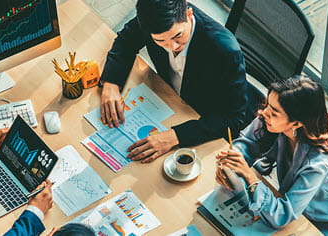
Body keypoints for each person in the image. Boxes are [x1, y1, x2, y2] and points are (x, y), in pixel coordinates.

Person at [99, 0, 250, 163]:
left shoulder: (225, 51)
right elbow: (126, 41)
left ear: (189, 14)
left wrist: (176, 136)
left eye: (177, 36)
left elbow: (233, 118)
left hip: (198, 120)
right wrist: (111, 83)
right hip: (165, 101)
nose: (172, 46)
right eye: (160, 41)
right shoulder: (153, 20)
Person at [215, 76, 328, 235]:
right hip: (295, 210)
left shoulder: (318, 162)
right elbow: (246, 143)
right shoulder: (272, 121)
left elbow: (282, 215)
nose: (263, 112)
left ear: (296, 123)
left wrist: (249, 177)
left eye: (273, 112)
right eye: (268, 105)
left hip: (325, 227)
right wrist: (230, 165)